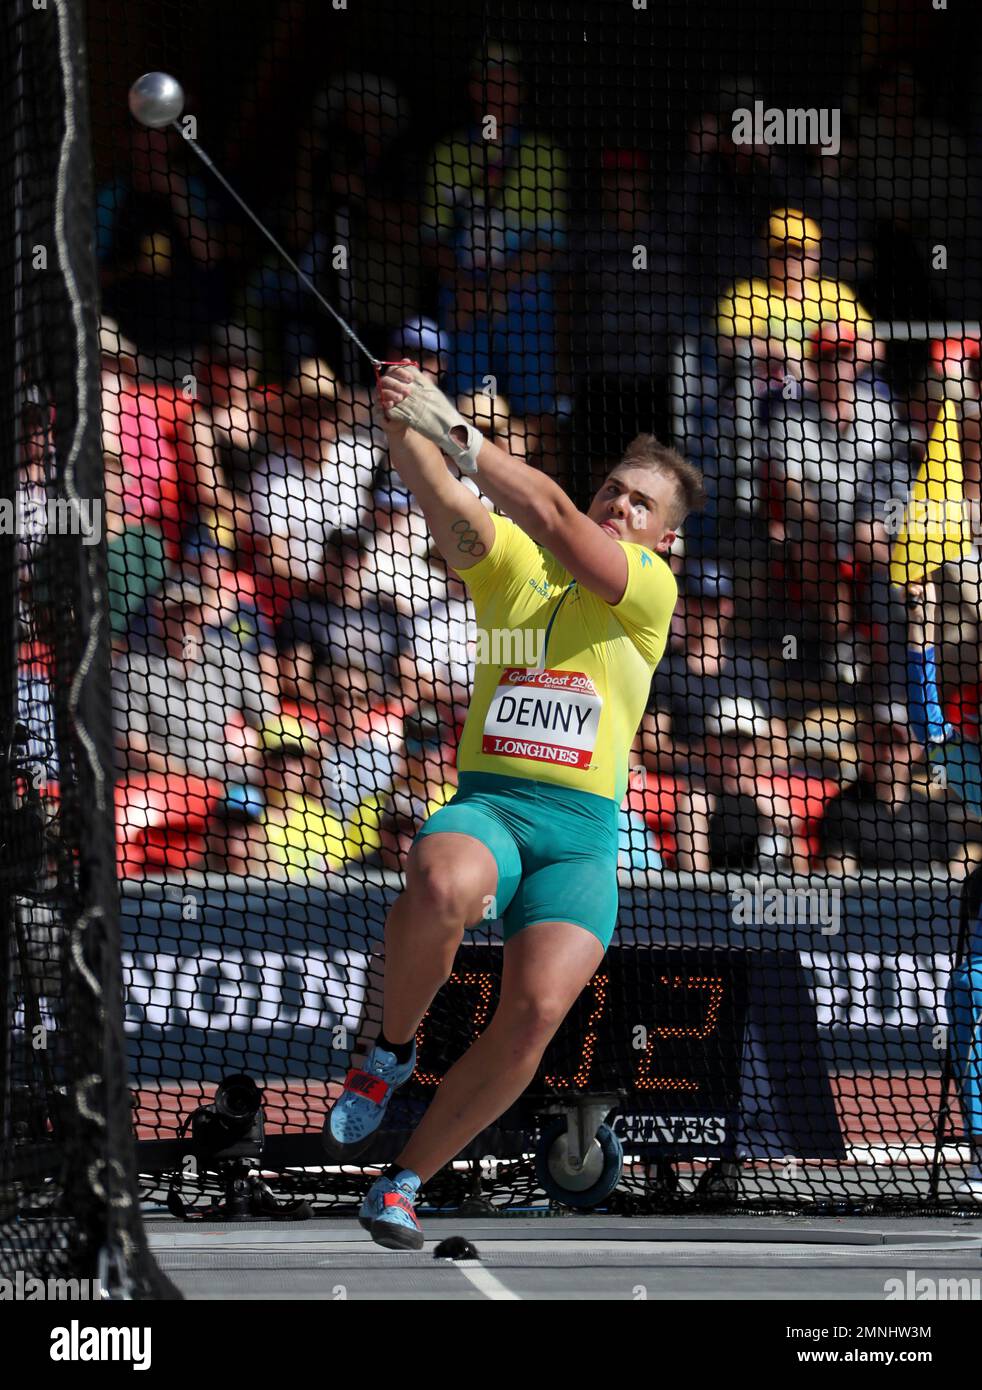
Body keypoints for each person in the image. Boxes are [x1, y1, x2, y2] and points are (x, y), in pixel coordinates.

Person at [322, 362, 702, 1249]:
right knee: (443, 881)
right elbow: (445, 499)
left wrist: (456, 430)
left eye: (640, 504)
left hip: (580, 842)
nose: (618, 506)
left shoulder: (649, 592)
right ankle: (390, 1049)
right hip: (494, 805)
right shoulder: (519, 577)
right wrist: (401, 422)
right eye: (614, 489)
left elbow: (553, 513)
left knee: (534, 1014)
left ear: (666, 540)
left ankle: (404, 1181)